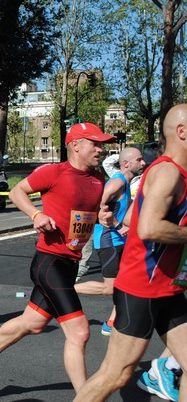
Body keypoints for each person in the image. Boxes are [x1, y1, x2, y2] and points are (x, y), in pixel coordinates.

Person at [0, 122, 116, 393]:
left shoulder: (98, 179)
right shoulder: (53, 172)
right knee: (79, 331)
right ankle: (86, 398)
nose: (100, 149)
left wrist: (103, 217)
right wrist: (36, 215)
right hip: (49, 262)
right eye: (95, 143)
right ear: (75, 145)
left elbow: (89, 213)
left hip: (70, 262)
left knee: (32, 323)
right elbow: (16, 192)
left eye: (101, 143)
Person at [74, 104, 187, 401]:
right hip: (143, 289)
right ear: (182, 132)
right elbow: (149, 228)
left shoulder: (177, 174)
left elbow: (133, 220)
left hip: (169, 288)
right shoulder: (168, 173)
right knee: (116, 374)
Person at [75, 147, 145, 335]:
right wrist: (117, 224)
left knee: (127, 283)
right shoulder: (117, 183)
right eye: (139, 160)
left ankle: (111, 323)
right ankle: (64, 290)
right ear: (126, 164)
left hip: (120, 240)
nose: (143, 163)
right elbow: (98, 206)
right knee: (110, 288)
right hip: (107, 240)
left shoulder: (127, 183)